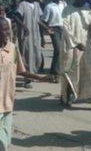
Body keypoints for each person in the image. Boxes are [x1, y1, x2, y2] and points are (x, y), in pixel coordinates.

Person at [0, 17, 49, 150]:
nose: (7, 33)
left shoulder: (12, 48)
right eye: (3, 30)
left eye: (8, 30)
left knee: (4, 141)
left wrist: (41, 78)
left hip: (7, 102)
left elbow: (21, 71)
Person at [60, 0, 91, 110]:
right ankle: (67, 95)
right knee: (71, 71)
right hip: (71, 46)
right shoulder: (67, 10)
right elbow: (66, 29)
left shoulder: (90, 10)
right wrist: (76, 43)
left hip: (88, 46)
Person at [15, 0, 45, 88]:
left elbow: (38, 20)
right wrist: (23, 26)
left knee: (37, 57)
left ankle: (32, 75)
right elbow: (16, 17)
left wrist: (46, 29)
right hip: (26, 35)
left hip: (36, 34)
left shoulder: (36, 5)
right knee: (27, 56)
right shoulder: (22, 4)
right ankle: (27, 79)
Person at [42, 0, 67, 83]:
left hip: (64, 28)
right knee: (58, 50)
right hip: (54, 29)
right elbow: (43, 21)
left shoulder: (64, 4)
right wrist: (47, 28)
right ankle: (56, 73)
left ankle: (55, 71)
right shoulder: (49, 7)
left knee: (63, 51)